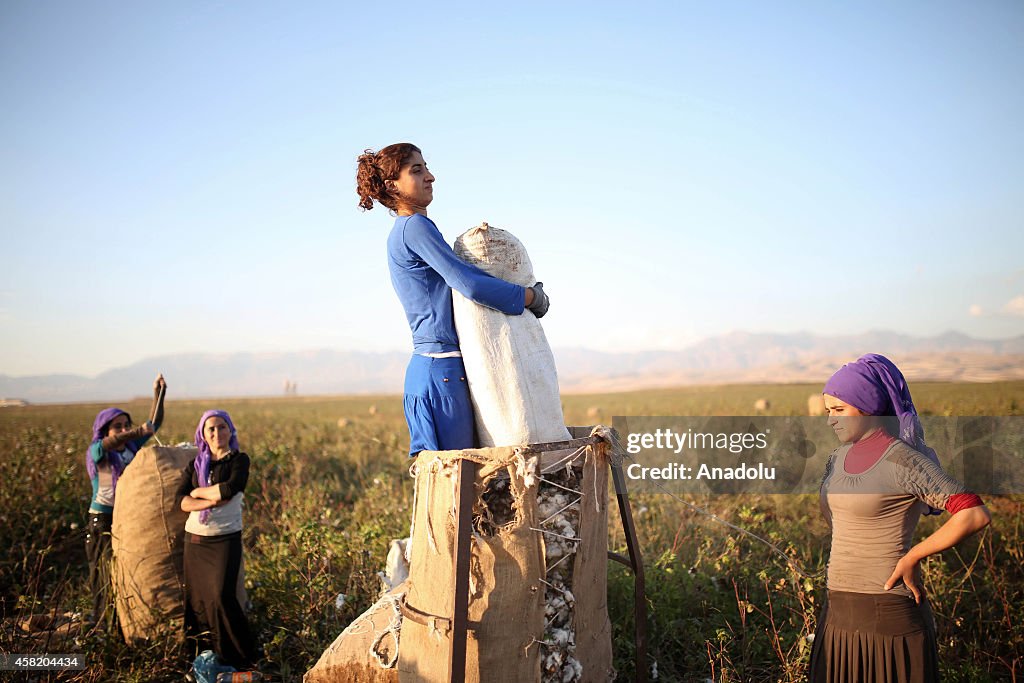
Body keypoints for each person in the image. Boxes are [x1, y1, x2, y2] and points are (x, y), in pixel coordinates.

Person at [356, 143, 550, 456]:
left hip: (436, 372)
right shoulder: (414, 227)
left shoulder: (408, 229)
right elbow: (467, 283)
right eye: (416, 170)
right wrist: (529, 297)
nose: (430, 176)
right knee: (459, 492)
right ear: (392, 185)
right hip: (441, 372)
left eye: (426, 167)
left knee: (455, 491)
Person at [810, 354, 991, 682]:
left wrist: (914, 556)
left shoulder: (903, 461)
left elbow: (973, 513)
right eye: (828, 412)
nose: (830, 420)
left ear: (868, 407)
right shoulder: (836, 460)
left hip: (887, 613)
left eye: (839, 410)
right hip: (836, 610)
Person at [177, 410, 258, 672]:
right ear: (202, 434)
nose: (216, 433)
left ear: (230, 430)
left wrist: (198, 493)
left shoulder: (239, 460)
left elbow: (229, 489)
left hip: (224, 538)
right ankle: (204, 653)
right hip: (196, 541)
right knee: (197, 599)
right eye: (210, 429)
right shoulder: (195, 464)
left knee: (222, 596)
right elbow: (182, 501)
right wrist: (209, 499)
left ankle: (242, 656)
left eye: (222, 427)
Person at [85, 372, 167, 626]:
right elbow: (112, 442)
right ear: (105, 430)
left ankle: (123, 623)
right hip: (102, 519)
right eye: (117, 426)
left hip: (127, 516)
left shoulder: (130, 448)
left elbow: (154, 424)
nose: (123, 430)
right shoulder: (97, 451)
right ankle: (102, 625)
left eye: (125, 425)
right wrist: (134, 432)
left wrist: (158, 393)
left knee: (125, 571)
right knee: (102, 574)